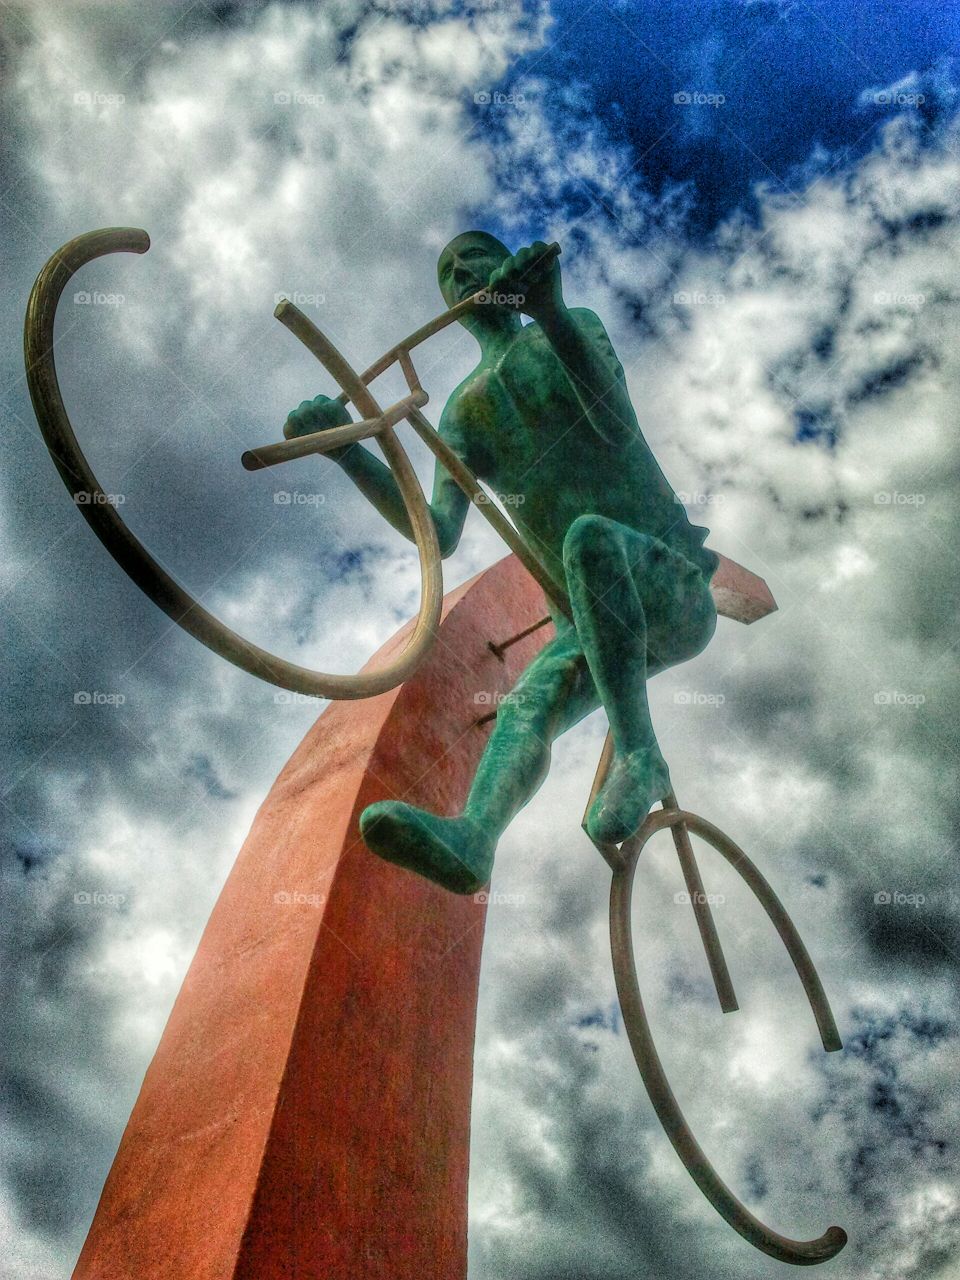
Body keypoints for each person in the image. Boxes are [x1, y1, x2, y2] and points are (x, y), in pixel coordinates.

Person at [283, 232, 719, 894]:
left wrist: (550, 312)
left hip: (670, 586)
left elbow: (615, 425)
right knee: (525, 706)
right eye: (447, 273)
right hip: (588, 622)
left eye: (473, 259)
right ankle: (474, 838)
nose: (461, 274)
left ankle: (640, 753)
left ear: (506, 265)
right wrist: (348, 453)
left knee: (589, 540)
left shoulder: (569, 328)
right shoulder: (463, 411)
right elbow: (436, 532)